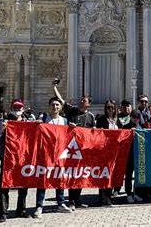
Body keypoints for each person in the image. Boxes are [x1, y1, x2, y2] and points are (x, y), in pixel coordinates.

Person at [53, 79, 94, 211]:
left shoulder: (91, 117)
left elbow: (94, 133)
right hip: (71, 149)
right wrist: (54, 87)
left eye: (84, 100)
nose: (81, 101)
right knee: (72, 174)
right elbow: (61, 101)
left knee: (81, 175)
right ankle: (70, 200)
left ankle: (77, 199)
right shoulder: (72, 111)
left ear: (89, 104)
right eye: (81, 100)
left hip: (84, 149)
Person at [33, 97, 73, 218]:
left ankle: (60, 202)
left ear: (60, 107)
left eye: (57, 105)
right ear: (49, 106)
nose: (55, 107)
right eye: (52, 105)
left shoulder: (64, 121)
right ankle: (39, 205)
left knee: (59, 177)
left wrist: (73, 129)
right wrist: (37, 125)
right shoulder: (44, 119)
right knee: (43, 179)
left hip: (60, 154)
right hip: (45, 154)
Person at [0, 99, 31, 223]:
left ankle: (21, 210)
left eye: (19, 108)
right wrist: (2, 131)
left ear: (23, 109)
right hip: (7, 159)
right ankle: (3, 212)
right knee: (4, 186)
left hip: (23, 159)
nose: (17, 110)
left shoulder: (27, 123)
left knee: (23, 186)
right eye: (15, 107)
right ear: (11, 108)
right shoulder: (3, 122)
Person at [96, 100, 122, 206]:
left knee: (112, 174)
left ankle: (109, 197)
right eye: (108, 108)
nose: (110, 110)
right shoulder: (102, 119)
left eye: (112, 107)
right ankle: (102, 198)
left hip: (115, 151)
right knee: (104, 174)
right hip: (104, 151)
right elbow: (98, 133)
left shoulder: (117, 120)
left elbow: (122, 132)